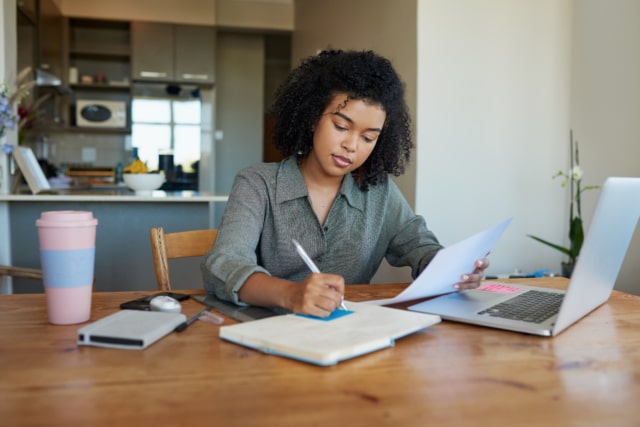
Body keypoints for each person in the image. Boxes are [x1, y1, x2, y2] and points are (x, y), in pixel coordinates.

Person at [201, 49, 489, 317]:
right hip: (268, 331)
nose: (351, 145)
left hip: (348, 335)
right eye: (341, 127)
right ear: (313, 118)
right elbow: (224, 265)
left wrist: (453, 269)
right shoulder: (257, 184)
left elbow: (420, 246)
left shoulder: (379, 192)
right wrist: (292, 294)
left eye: (368, 138)